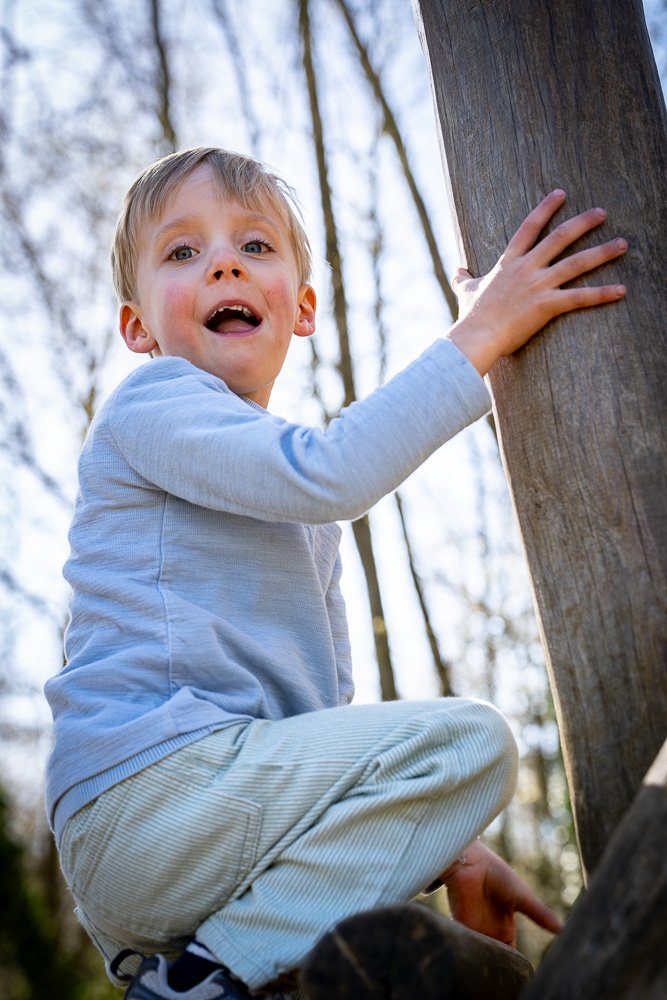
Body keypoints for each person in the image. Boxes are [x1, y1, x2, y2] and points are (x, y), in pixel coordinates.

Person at [44, 146, 627, 1000]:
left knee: (418, 885)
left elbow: (319, 723)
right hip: (146, 799)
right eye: (182, 252)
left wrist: (447, 841)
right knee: (471, 738)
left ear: (303, 308)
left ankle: (205, 975)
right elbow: (334, 471)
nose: (223, 261)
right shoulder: (152, 403)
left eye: (255, 245)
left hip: (211, 838)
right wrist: (484, 333)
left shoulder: (293, 502)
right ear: (138, 329)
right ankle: (207, 981)